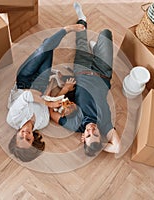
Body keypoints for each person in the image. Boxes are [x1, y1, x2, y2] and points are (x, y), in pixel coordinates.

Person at [49, 2, 121, 156]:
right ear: (101, 136)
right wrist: (101, 145)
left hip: (82, 71)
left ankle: (82, 18)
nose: (92, 131)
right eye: (96, 135)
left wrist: (63, 91)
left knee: (81, 39)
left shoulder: (75, 124)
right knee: (106, 33)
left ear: (82, 137)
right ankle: (95, 50)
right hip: (103, 72)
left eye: (88, 136)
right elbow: (117, 148)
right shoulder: (105, 124)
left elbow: (51, 113)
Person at [7, 24, 85, 162]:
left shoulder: (13, 119)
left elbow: (27, 95)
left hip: (24, 81)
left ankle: (67, 29)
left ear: (15, 136)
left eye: (20, 137)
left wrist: (49, 102)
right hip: (41, 85)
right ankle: (50, 41)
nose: (25, 134)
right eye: (28, 139)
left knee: (44, 49)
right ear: (34, 140)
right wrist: (52, 83)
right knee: (48, 49)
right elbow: (43, 97)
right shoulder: (42, 122)